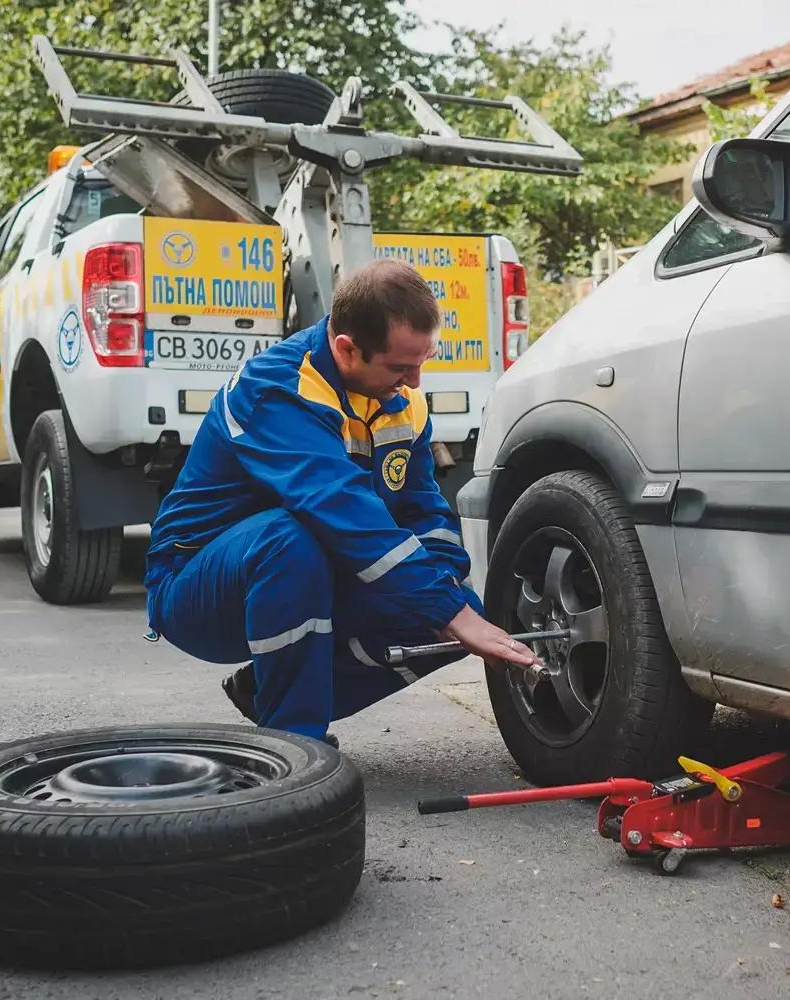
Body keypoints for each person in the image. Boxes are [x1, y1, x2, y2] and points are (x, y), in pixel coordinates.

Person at [144, 259, 538, 744]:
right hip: (198, 589)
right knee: (291, 541)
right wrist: (450, 612)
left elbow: (422, 510)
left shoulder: (403, 402)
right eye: (400, 367)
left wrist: (452, 604)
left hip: (311, 573)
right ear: (347, 349)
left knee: (450, 611)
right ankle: (294, 745)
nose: (415, 382)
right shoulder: (276, 391)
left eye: (422, 362)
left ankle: (269, 690)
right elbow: (342, 509)